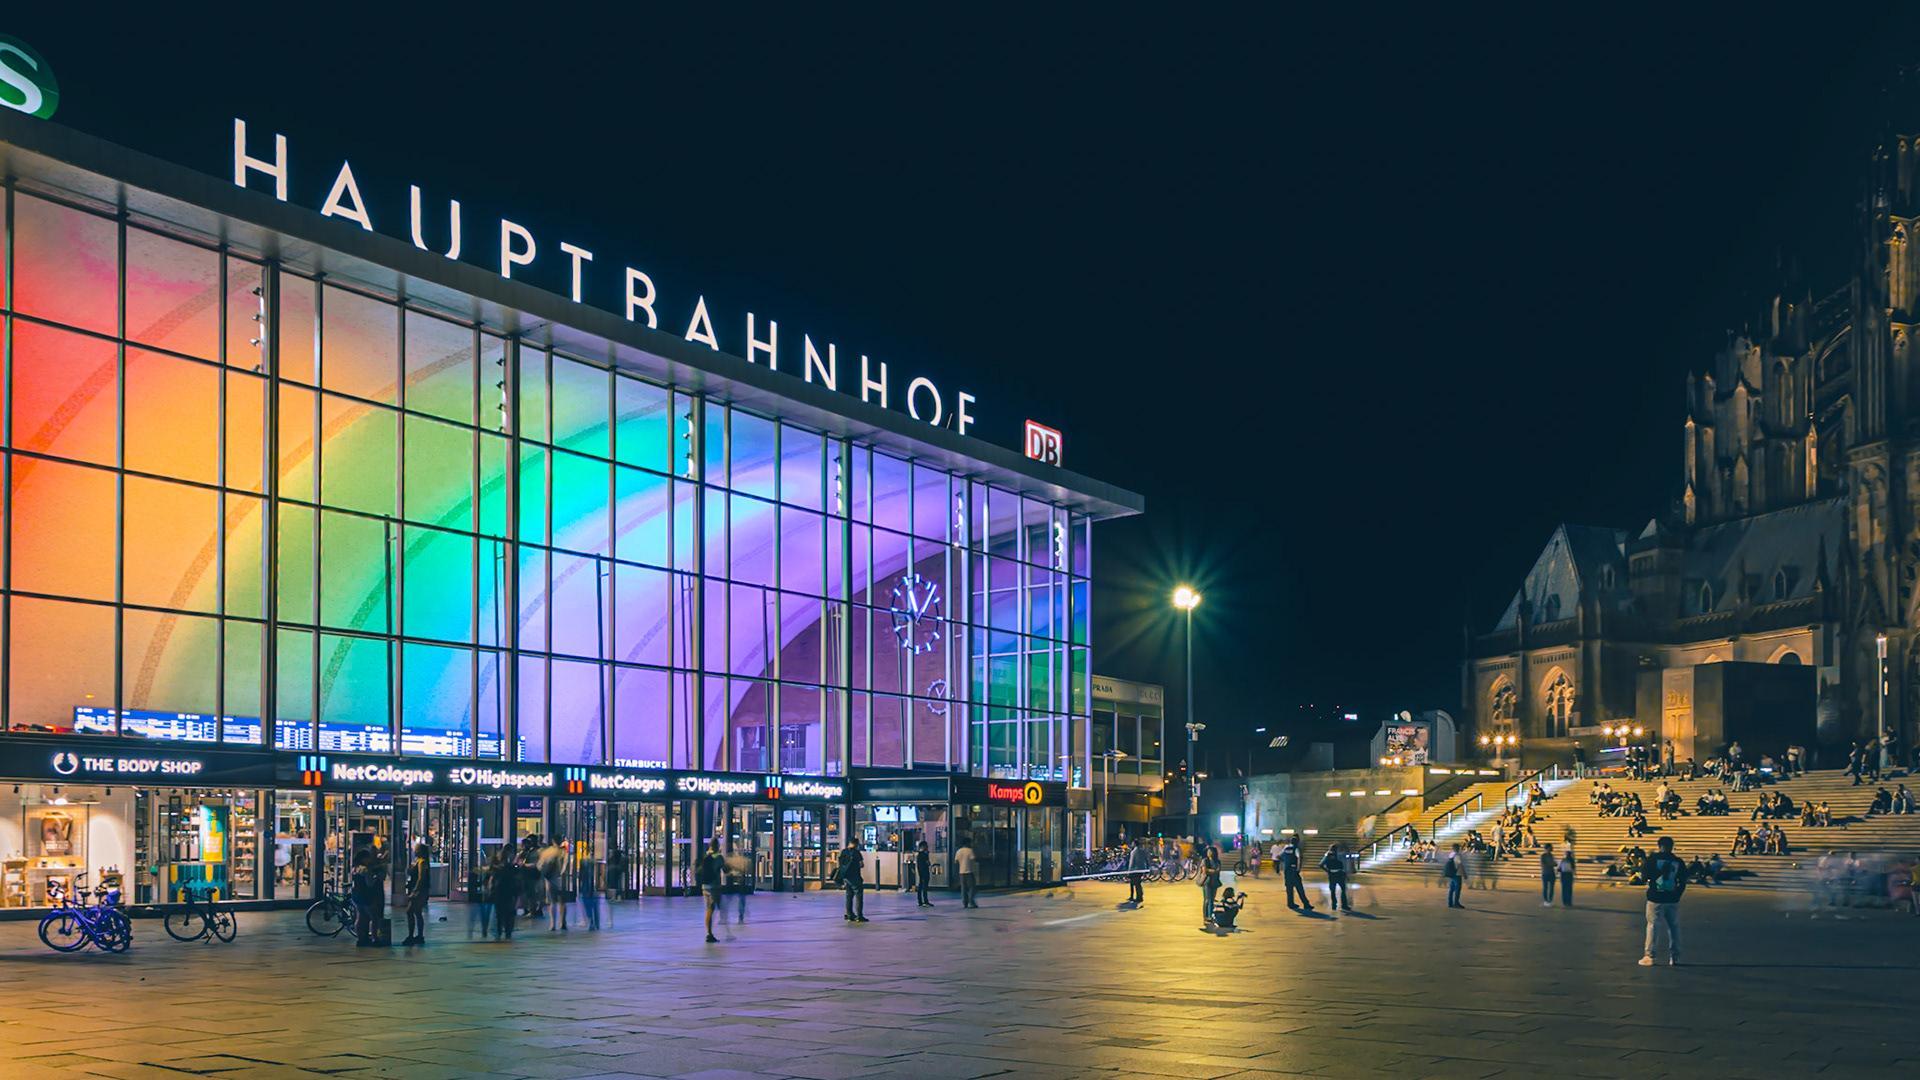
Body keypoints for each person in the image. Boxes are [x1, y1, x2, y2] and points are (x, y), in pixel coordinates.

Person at [1638, 836, 1687, 966]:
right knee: (1674, 927)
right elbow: (1682, 881)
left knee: (1653, 926)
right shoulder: (1678, 861)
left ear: (1659, 845)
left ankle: (1650, 956)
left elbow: (1644, 876)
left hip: (1656, 897)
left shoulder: (1652, 859)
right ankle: (1675, 957)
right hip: (1671, 898)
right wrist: (1677, 895)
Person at [695, 838, 727, 942]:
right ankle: (713, 933)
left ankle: (709, 932)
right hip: (714, 886)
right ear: (717, 846)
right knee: (715, 908)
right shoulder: (718, 857)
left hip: (705, 886)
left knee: (708, 909)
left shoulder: (704, 857)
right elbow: (726, 870)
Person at [350, 850, 382, 948]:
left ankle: (360, 939)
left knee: (360, 917)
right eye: (367, 857)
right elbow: (370, 883)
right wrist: (376, 878)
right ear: (363, 858)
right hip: (366, 895)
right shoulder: (365, 869)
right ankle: (374, 938)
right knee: (374, 917)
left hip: (356, 894)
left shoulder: (355, 869)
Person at [402, 841, 431, 946]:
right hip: (418, 890)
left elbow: (421, 878)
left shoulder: (422, 862)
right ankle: (418, 935)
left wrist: (415, 890)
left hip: (419, 891)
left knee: (411, 911)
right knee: (416, 912)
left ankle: (414, 935)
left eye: (416, 849)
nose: (414, 851)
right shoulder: (418, 861)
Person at [489, 848, 520, 939]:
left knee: (499, 913)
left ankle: (499, 931)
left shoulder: (498, 869)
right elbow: (517, 881)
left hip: (500, 891)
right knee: (509, 912)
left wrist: (491, 890)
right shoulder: (512, 869)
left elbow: (493, 881)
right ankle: (507, 931)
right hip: (509, 892)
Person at [835, 839, 868, 923]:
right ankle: (859, 916)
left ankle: (849, 914)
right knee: (858, 895)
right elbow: (861, 865)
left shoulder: (844, 852)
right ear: (856, 844)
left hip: (846, 876)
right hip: (855, 876)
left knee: (849, 896)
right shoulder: (856, 853)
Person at [539, 840, 568, 931]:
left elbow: (541, 866)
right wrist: (562, 873)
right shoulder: (563, 852)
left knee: (552, 903)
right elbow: (566, 866)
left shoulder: (547, 852)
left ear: (552, 841)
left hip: (550, 880)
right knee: (562, 902)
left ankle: (552, 924)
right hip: (561, 880)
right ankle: (562, 922)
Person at [1279, 837, 1313, 911]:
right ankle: (1306, 904)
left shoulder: (1286, 849)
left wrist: (1287, 862)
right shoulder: (1296, 849)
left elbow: (1279, 857)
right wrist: (1298, 868)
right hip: (1294, 870)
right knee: (1299, 887)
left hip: (1287, 870)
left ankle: (1290, 903)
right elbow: (1299, 858)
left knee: (1289, 888)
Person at [1320, 842, 1351, 912]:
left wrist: (1327, 870)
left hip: (1331, 874)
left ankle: (1334, 905)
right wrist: (1346, 873)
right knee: (1343, 889)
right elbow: (1345, 865)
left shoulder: (1327, 855)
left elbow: (1321, 864)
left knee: (1332, 890)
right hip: (1340, 874)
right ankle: (1344, 905)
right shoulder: (1341, 855)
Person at [1199, 844, 1223, 927]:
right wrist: (1213, 871)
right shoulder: (1205, 861)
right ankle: (1206, 917)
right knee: (1207, 900)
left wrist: (1212, 871)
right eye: (1208, 851)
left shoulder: (1217, 861)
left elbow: (1218, 870)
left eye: (1210, 851)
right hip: (1207, 882)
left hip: (1215, 882)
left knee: (1212, 900)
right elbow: (1205, 870)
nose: (1208, 853)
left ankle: (1211, 917)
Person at [956, 837, 978, 908]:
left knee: (963, 888)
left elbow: (955, 861)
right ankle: (971, 902)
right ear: (968, 843)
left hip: (961, 872)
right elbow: (973, 859)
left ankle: (965, 902)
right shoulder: (969, 850)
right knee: (972, 887)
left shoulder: (958, 851)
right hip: (969, 871)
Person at [1126, 837, 1149, 904]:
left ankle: (1138, 896)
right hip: (1141, 869)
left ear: (1134, 844)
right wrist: (1147, 868)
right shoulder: (1142, 851)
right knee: (1137, 883)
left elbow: (1132, 862)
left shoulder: (1133, 852)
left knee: (1135, 883)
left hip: (1134, 870)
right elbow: (1146, 860)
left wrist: (1129, 871)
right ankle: (1138, 895)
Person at [1443, 842, 1465, 908]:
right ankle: (1456, 902)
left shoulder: (1451, 854)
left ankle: (1450, 902)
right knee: (1457, 888)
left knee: (1451, 889)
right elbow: (1459, 865)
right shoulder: (1457, 855)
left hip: (1451, 873)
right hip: (1457, 873)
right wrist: (1464, 874)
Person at [913, 841, 933, 907]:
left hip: (922, 872)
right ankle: (925, 901)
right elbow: (927, 863)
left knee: (921, 885)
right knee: (924, 886)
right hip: (924, 872)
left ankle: (920, 901)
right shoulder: (922, 855)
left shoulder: (921, 855)